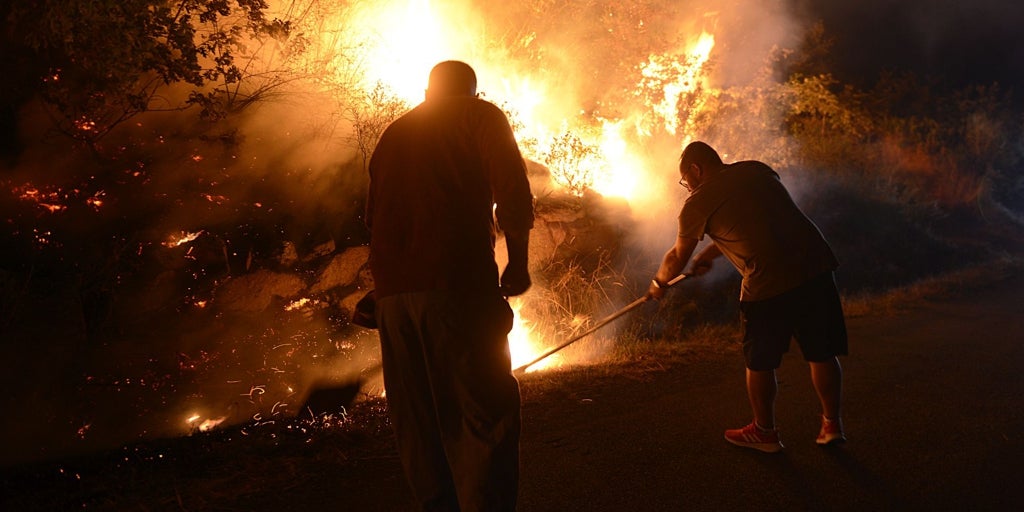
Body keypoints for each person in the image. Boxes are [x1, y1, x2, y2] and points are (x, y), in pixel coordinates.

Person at [365, 60, 534, 511]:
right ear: (471, 93)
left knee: (418, 422)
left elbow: (376, 219)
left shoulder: (392, 135)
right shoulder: (479, 115)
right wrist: (517, 264)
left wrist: (381, 289)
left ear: (426, 92)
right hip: (458, 286)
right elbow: (513, 193)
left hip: (394, 300)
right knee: (483, 415)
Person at [647, 141, 847, 453]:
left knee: (760, 362)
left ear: (696, 170)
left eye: (686, 180)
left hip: (768, 283)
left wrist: (659, 283)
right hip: (816, 266)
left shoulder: (697, 201)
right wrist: (713, 252)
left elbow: (676, 257)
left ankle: (764, 432)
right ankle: (832, 425)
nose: (687, 188)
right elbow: (760, 221)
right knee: (821, 351)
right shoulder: (757, 169)